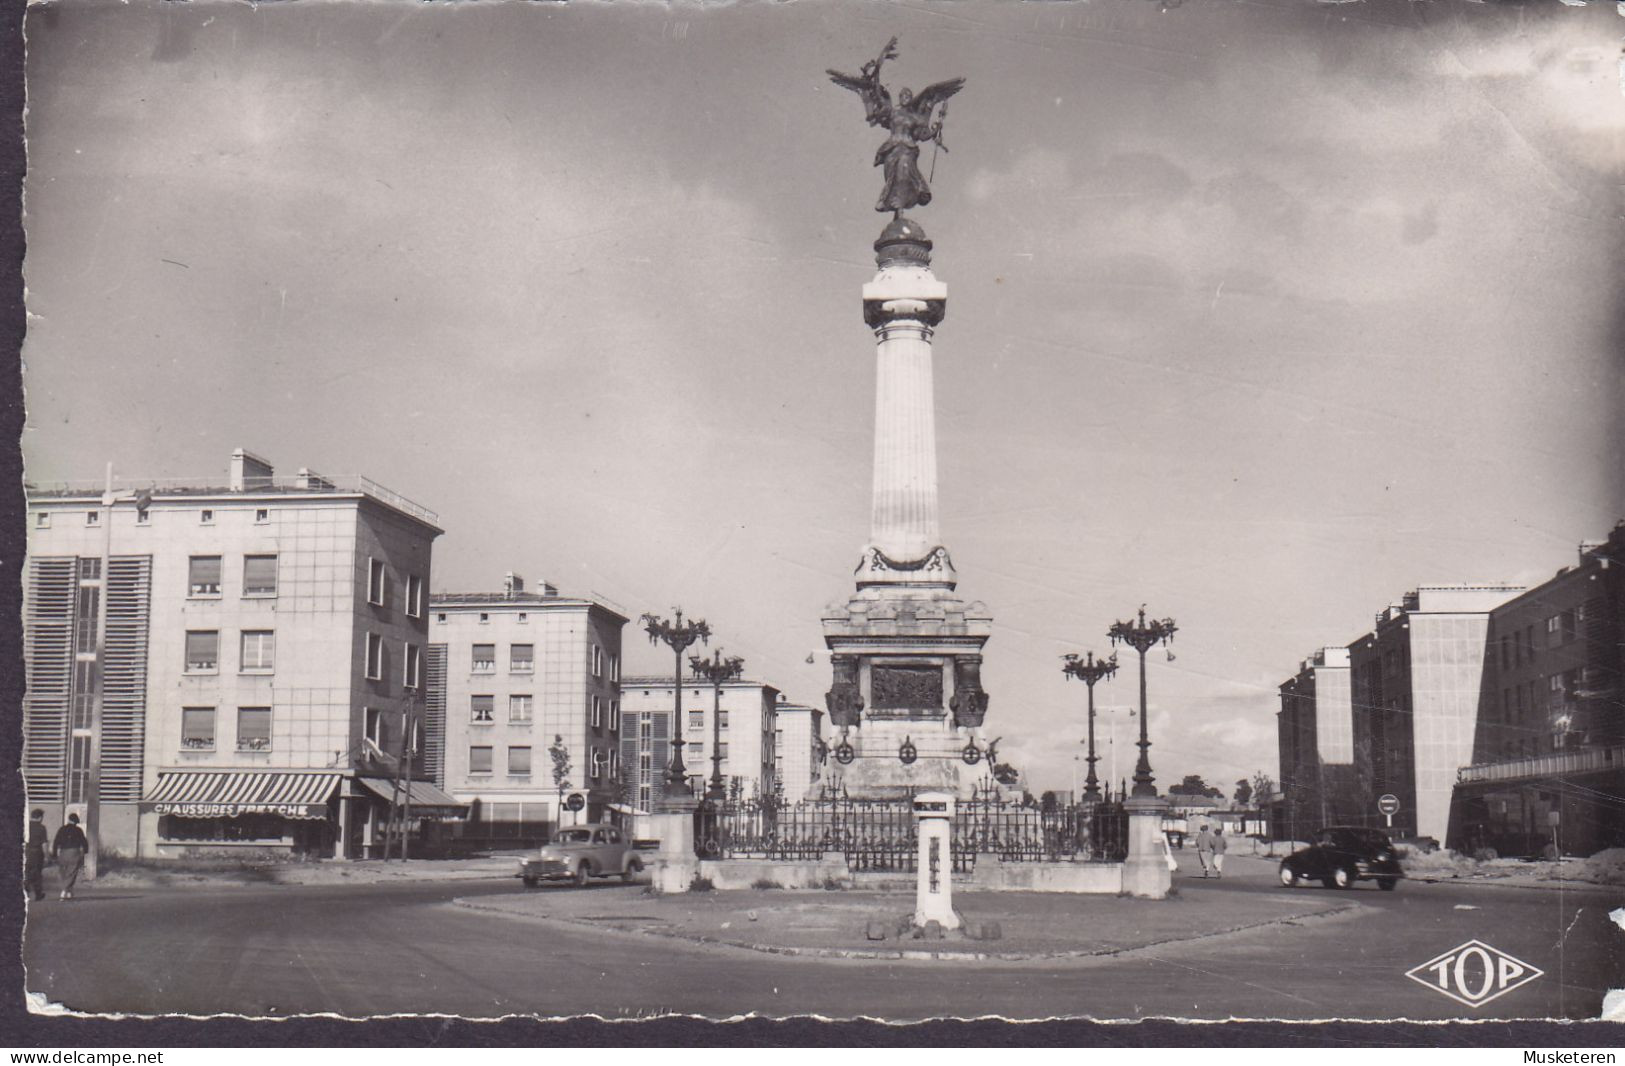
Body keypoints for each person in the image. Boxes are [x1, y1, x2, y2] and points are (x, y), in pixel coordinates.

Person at [52, 813, 88, 901]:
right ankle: (65, 890)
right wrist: (86, 851)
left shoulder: (62, 829)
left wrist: (54, 853)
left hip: (63, 852)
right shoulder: (78, 830)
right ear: (75, 822)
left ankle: (68, 891)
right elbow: (84, 841)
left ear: (69, 820)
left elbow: (56, 841)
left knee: (63, 872)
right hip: (74, 852)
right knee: (72, 872)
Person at [24, 810, 48, 902]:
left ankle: (25, 892)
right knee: (37, 873)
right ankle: (38, 894)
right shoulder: (42, 828)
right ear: (40, 817)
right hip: (36, 853)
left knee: (26, 872)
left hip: (25, 852)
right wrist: (47, 856)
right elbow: (44, 843)